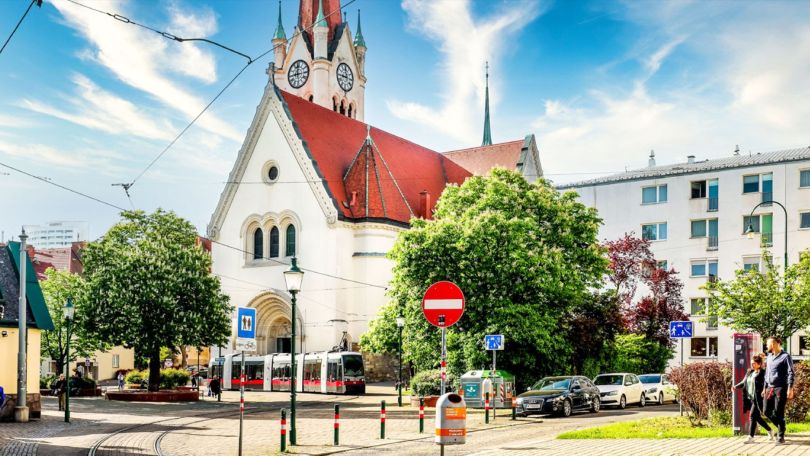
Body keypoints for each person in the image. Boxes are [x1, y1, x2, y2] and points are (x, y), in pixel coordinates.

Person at [734, 354, 773, 443]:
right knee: (757, 417)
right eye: (752, 363)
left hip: (758, 398)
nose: (752, 365)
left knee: (752, 416)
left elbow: (767, 384)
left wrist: (765, 391)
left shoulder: (763, 373)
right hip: (750, 398)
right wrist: (735, 386)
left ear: (759, 364)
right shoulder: (749, 372)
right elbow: (744, 382)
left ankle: (751, 437)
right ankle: (770, 430)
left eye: (754, 363)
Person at [764, 336, 795, 445]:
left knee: (778, 412)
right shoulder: (769, 357)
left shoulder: (785, 356)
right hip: (769, 387)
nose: (766, 346)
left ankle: (781, 436)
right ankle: (782, 426)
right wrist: (764, 388)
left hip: (780, 388)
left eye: (768, 344)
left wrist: (790, 388)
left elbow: (791, 372)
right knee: (766, 410)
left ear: (774, 344)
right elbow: (766, 373)